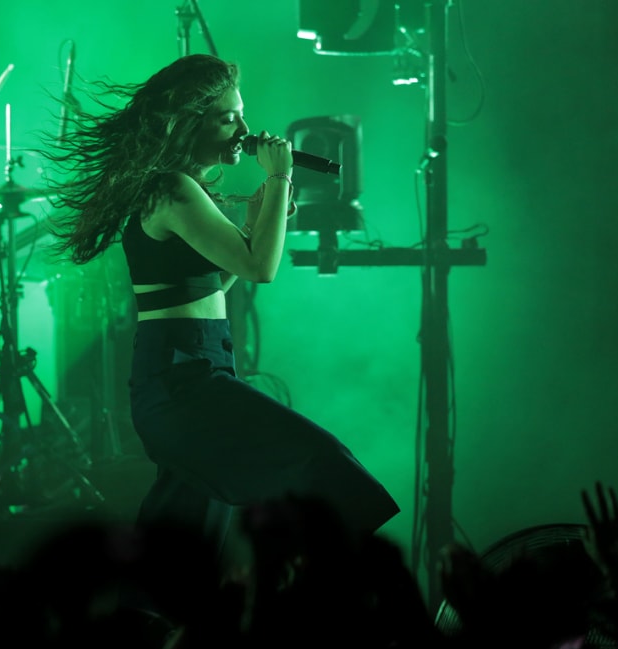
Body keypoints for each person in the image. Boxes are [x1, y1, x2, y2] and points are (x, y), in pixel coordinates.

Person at [43, 53, 400, 559]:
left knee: (182, 549)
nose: (245, 130)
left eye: (242, 115)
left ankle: (154, 628)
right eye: (229, 117)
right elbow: (262, 269)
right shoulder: (173, 188)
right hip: (183, 381)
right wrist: (278, 181)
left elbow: (216, 285)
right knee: (323, 466)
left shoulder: (179, 189)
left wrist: (258, 222)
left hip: (189, 373)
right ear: (191, 122)